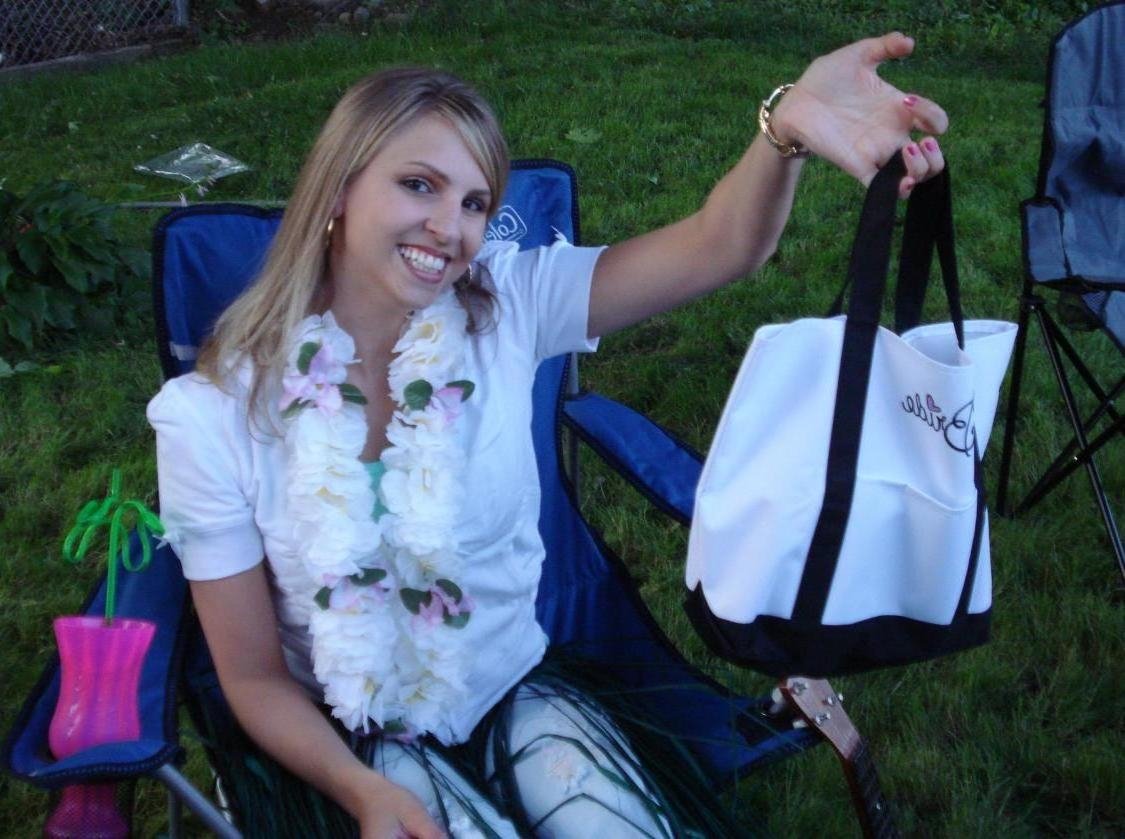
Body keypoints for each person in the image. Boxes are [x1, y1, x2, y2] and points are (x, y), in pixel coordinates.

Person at [148, 32, 946, 839]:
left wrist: (785, 129)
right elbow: (252, 677)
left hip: (512, 682)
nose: (449, 229)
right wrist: (360, 791)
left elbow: (721, 245)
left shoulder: (509, 305)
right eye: (418, 184)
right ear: (338, 189)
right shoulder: (209, 417)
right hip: (344, 732)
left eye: (474, 203)